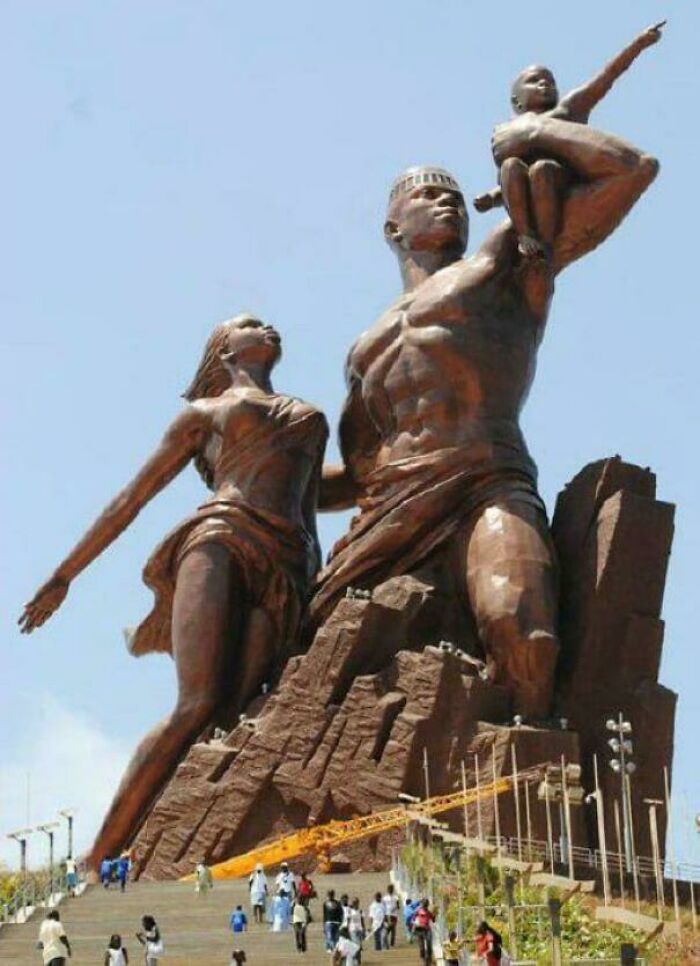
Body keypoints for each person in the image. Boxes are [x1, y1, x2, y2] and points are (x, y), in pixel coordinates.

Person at [315, 101, 659, 719]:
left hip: (485, 481)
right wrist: (252, 487)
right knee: (306, 664)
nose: (445, 202)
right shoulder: (363, 350)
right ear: (393, 229)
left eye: (451, 195)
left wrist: (534, 130)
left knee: (526, 635)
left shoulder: (504, 261)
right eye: (425, 195)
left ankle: (525, 790)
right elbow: (357, 472)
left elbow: (631, 170)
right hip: (387, 510)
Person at [19, 315, 328, 866]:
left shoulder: (310, 418)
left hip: (287, 564)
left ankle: (190, 847)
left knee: (235, 715)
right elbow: (131, 499)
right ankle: (99, 858)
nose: (270, 326)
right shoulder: (204, 414)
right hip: (221, 540)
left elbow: (309, 510)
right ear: (224, 352)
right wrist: (66, 574)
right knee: (197, 703)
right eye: (251, 324)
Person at [474, 22, 665, 256]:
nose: (545, 84)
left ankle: (543, 243)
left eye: (550, 82)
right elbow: (513, 181)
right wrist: (493, 197)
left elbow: (605, 78)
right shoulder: (508, 131)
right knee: (511, 166)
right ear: (516, 101)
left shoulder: (565, 112)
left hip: (558, 180)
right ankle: (526, 235)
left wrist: (638, 44)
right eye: (534, 81)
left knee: (543, 169)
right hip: (525, 194)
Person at [412, 899, 435, 965]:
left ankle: (429, 958)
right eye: (424, 905)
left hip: (427, 930)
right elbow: (413, 919)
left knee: (429, 944)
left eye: (426, 905)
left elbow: (433, 920)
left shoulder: (429, 912)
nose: (425, 907)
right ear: (422, 905)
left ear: (427, 905)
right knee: (421, 947)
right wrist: (416, 923)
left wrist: (434, 914)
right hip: (420, 930)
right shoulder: (418, 911)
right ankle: (423, 959)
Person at [382, 884, 400, 948]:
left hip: (394, 915)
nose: (390, 890)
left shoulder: (396, 897)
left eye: (391, 889)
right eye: (389, 889)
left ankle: (392, 943)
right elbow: (383, 906)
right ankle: (385, 942)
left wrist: (394, 908)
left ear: (393, 890)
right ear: (387, 890)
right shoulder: (384, 898)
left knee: (393, 929)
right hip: (387, 915)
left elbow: (398, 906)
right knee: (386, 929)